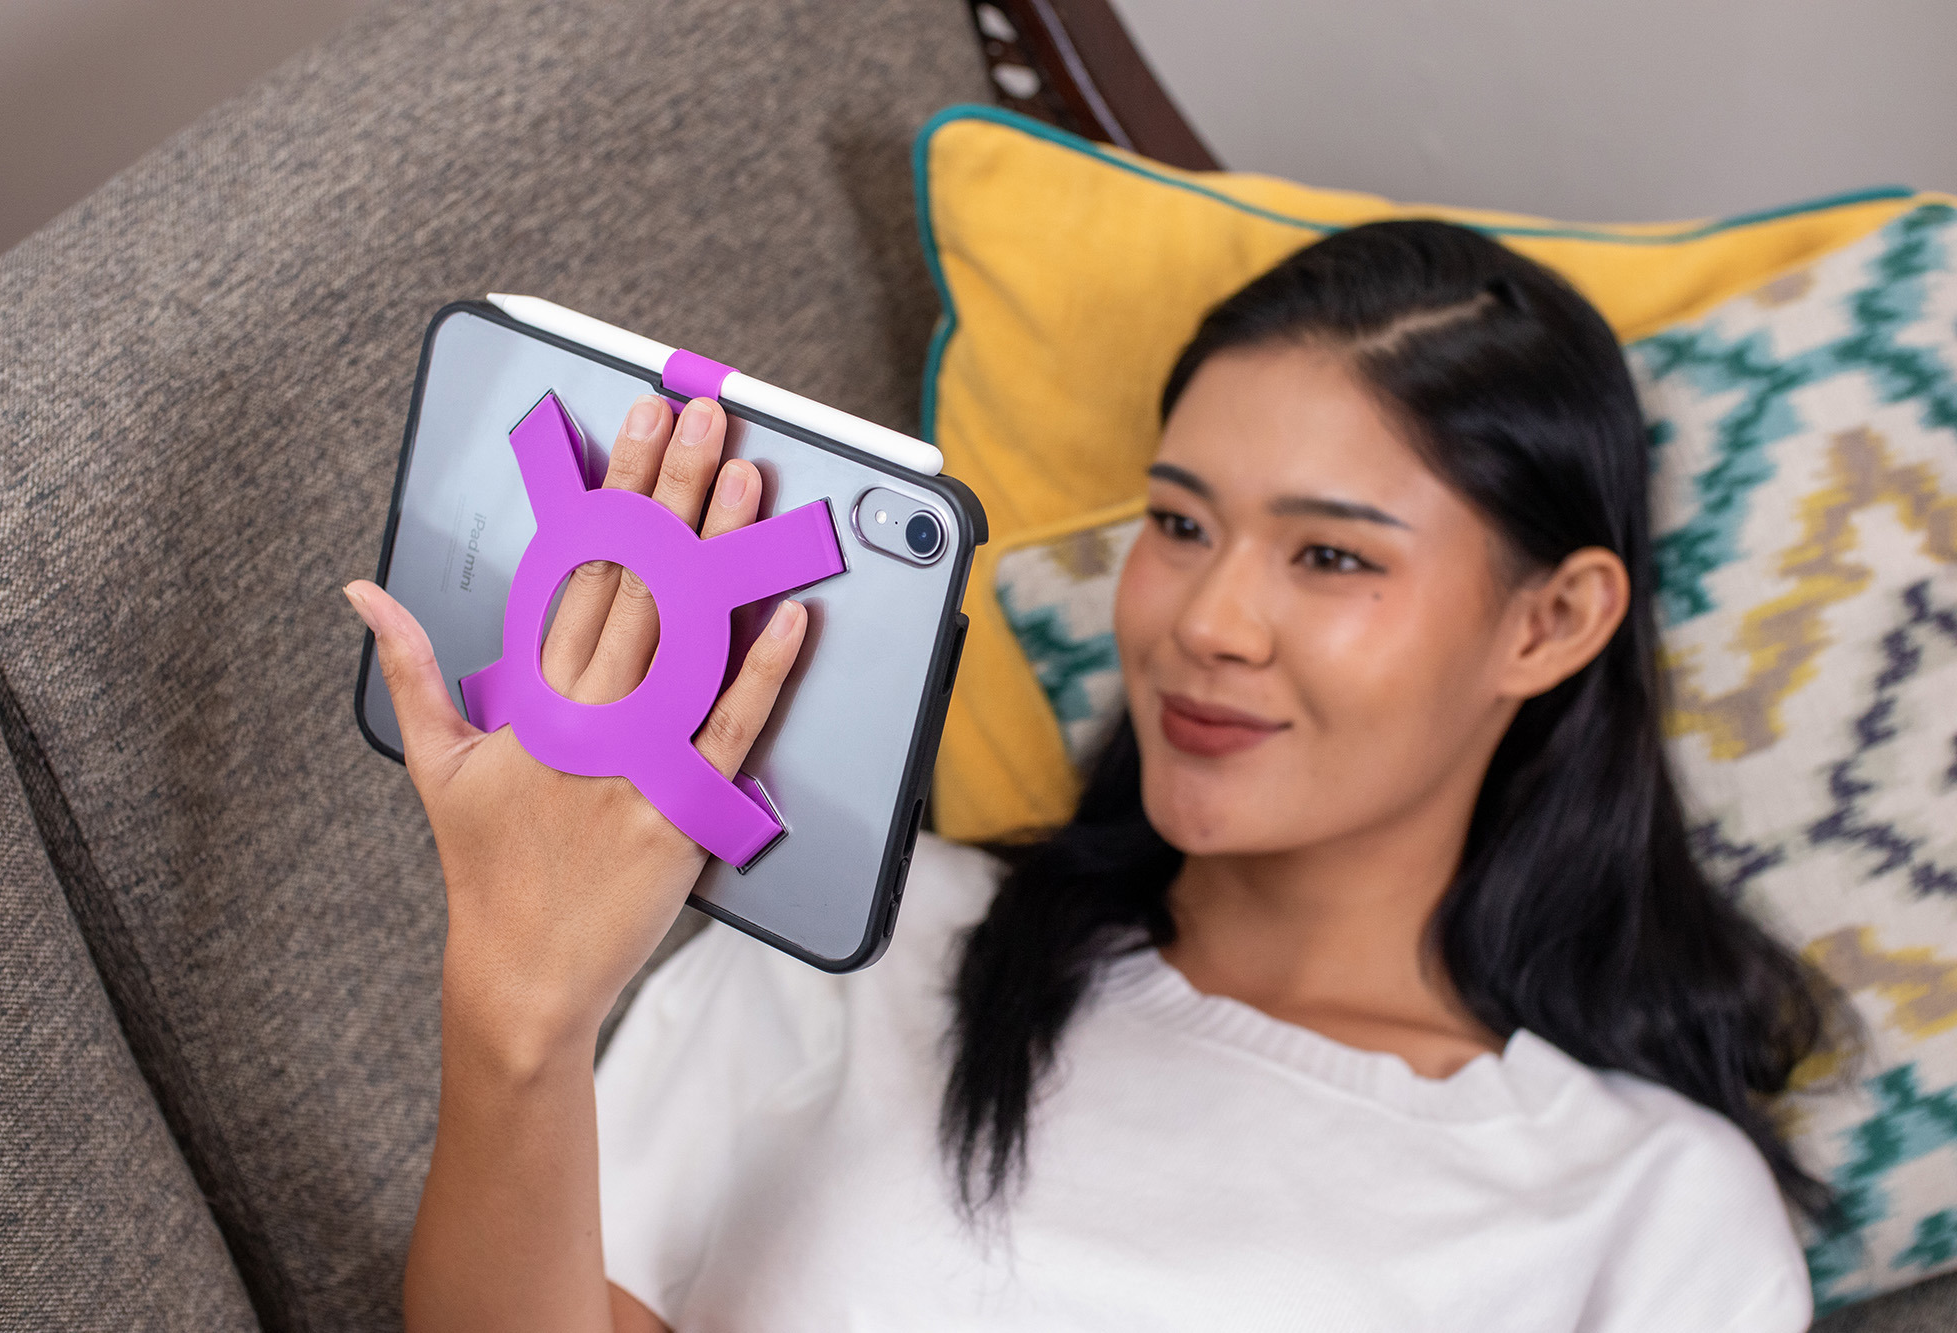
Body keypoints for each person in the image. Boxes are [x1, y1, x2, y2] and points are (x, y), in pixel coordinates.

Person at [348, 220, 1833, 1332]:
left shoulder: (1652, 1208)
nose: (1206, 622)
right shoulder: (872, 947)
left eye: (1331, 556)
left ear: (1550, 620)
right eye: (1180, 525)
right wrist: (518, 1013)